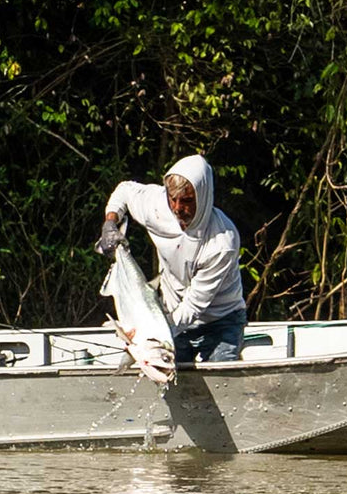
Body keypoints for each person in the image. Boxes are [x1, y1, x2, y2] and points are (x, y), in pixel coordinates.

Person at [96, 154, 247, 364]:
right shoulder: (157, 206)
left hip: (221, 321)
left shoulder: (222, 243)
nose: (177, 208)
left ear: (203, 197)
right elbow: (123, 191)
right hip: (169, 312)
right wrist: (110, 224)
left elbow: (194, 305)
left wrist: (154, 335)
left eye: (186, 201)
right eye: (172, 199)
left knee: (222, 383)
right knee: (151, 371)